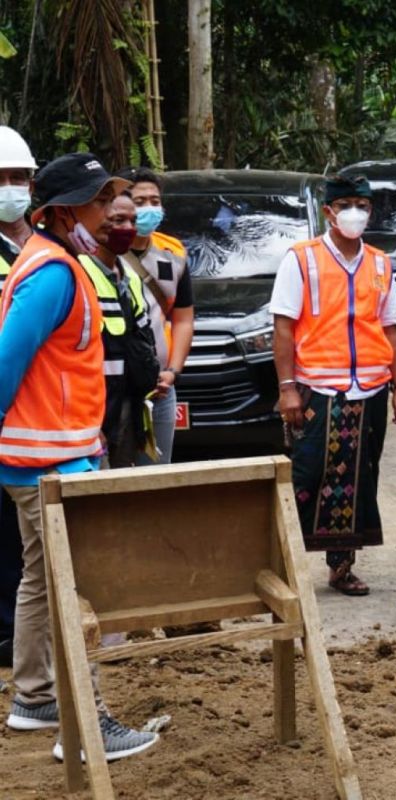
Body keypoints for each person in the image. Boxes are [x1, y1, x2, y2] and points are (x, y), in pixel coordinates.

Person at [0, 153, 157, 760]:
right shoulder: (56, 274)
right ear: (66, 213)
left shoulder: (56, 263)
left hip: (42, 455)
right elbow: (8, 360)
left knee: (41, 579)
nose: (113, 213)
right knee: (77, 588)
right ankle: (85, 726)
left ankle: (36, 696)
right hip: (49, 459)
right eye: (98, 203)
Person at [271, 173, 396, 596]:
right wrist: (287, 386)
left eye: (363, 205)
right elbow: (283, 326)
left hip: (369, 389)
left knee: (360, 479)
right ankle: (279, 566)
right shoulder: (302, 259)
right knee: (306, 476)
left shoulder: (380, 263)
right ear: (329, 211)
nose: (356, 212)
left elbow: (390, 329)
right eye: (346, 204)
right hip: (318, 387)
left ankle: (342, 566)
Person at [80, 192, 159, 468]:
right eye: (118, 220)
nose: (127, 228)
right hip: (95, 412)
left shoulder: (130, 277)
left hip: (129, 407)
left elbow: (142, 338)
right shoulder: (81, 271)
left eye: (132, 221)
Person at [122, 167, 194, 464]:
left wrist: (173, 372)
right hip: (117, 387)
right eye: (139, 201)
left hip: (161, 387)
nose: (149, 208)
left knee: (157, 473)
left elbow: (183, 319)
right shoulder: (100, 251)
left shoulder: (173, 253)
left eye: (155, 200)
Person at [0, 125, 36, 670]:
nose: (10, 188)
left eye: (20, 178)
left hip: (36, 416)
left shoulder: (44, 246)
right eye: (1, 179)